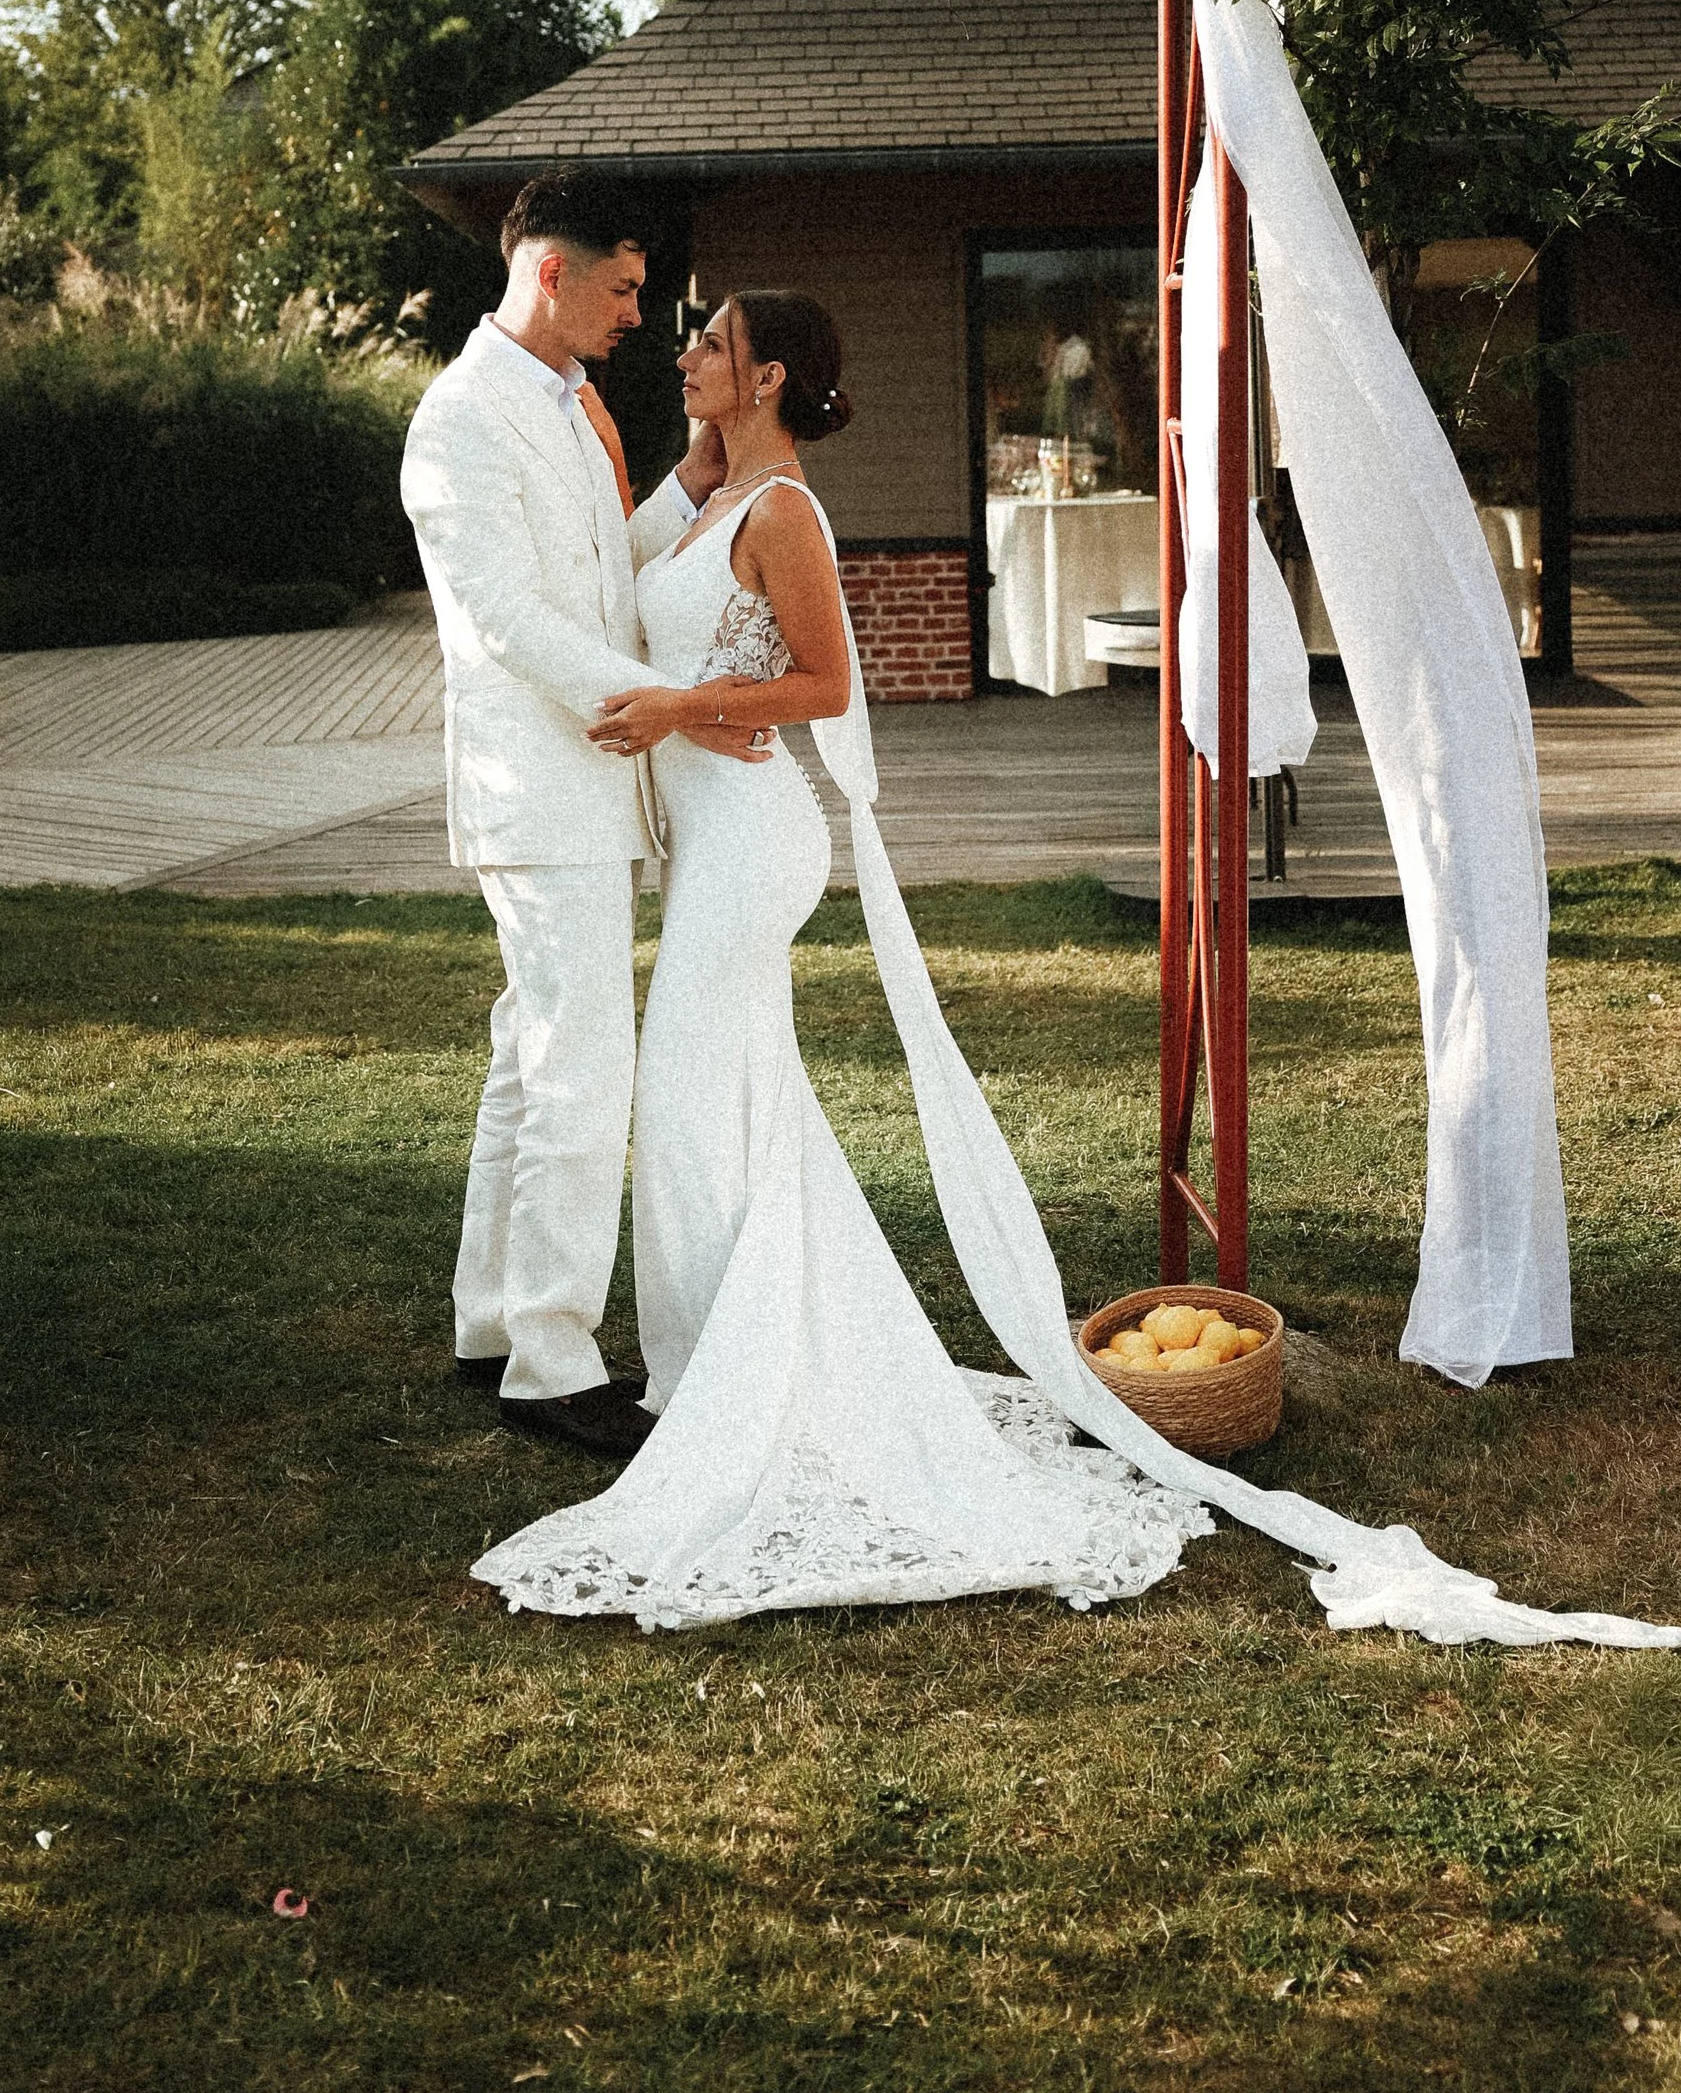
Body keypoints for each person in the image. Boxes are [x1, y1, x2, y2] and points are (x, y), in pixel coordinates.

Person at [472, 287, 1206, 1622]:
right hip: (711, 839)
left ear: (768, 376)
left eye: (712, 344)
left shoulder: (785, 513)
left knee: (683, 1096)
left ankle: (716, 1376)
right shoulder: (716, 496)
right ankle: (720, 1361)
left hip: (755, 843)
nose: (686, 353)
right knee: (727, 1103)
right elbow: (631, 594)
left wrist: (687, 705)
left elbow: (823, 685)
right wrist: (689, 503)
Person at [398, 173, 769, 1461]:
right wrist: (673, 705)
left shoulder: (565, 403)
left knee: (530, 1052)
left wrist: (692, 484)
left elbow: (599, 569)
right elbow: (506, 617)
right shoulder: (461, 418)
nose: (636, 315)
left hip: (587, 785)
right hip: (538, 789)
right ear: (549, 271)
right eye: (621, 288)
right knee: (581, 1064)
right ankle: (553, 1361)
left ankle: (490, 1323)